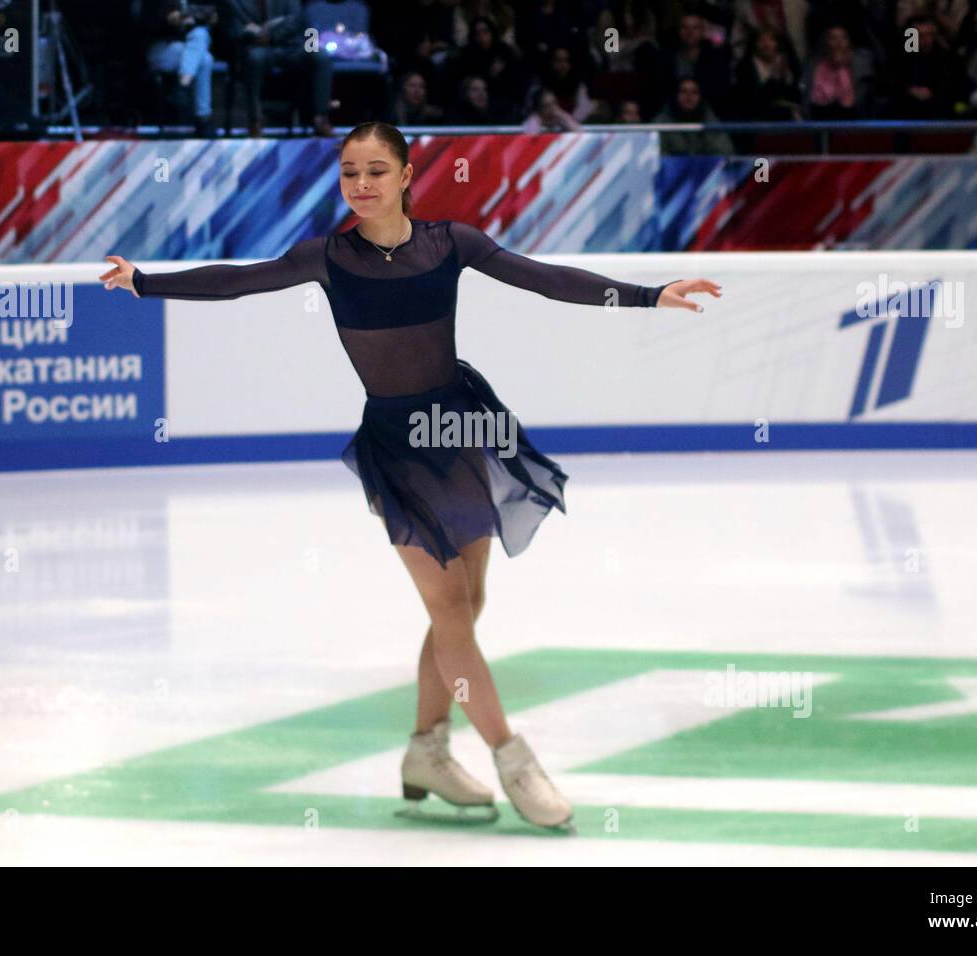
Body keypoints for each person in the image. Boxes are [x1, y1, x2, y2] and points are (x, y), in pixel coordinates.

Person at [99, 121, 720, 830]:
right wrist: (143, 283)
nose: (360, 186)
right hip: (396, 445)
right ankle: (512, 758)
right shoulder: (327, 257)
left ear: (406, 175)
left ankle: (426, 749)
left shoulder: (451, 243)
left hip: (459, 429)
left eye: (374, 171)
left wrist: (647, 295)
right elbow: (239, 283)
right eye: (348, 174)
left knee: (467, 602)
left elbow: (544, 280)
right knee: (450, 610)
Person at [220, 0, 335, 137]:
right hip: (256, 47)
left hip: (289, 45)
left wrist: (270, 36)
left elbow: (295, 20)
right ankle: (255, 119)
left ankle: (320, 118)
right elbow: (235, 28)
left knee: (321, 56)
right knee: (254, 58)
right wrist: (256, 35)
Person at [145, 0, 218, 136]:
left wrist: (191, 18)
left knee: (202, 48)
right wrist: (170, 20)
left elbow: (212, 15)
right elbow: (146, 21)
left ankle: (183, 85)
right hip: (162, 49)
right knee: (203, 56)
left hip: (190, 51)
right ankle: (203, 117)